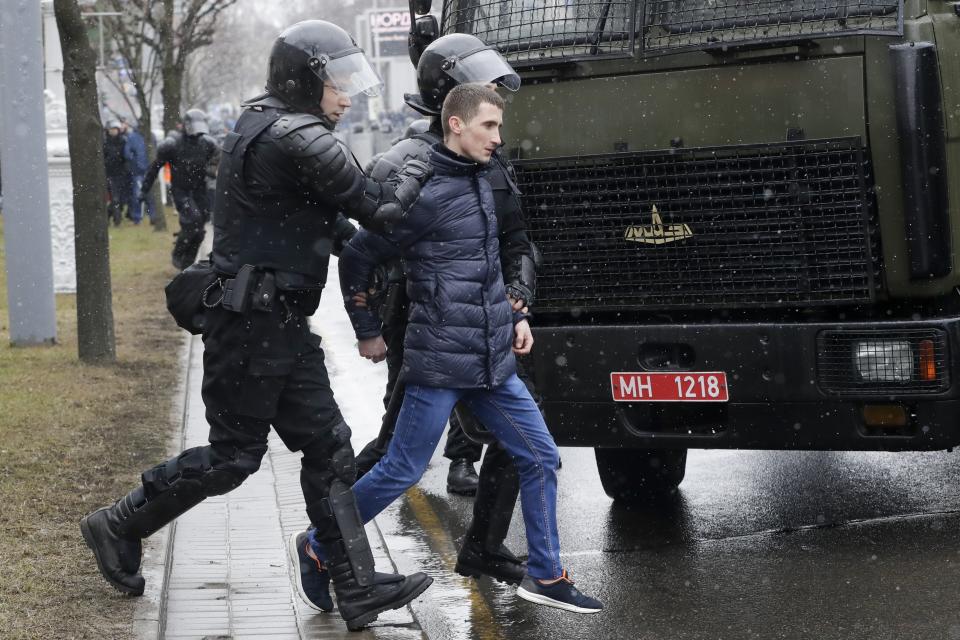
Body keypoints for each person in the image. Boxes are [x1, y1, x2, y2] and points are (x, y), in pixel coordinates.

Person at [79, 20, 433, 631]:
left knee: (327, 447)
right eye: (338, 83)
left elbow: (312, 222)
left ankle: (356, 588)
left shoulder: (265, 124)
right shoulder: (297, 135)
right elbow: (381, 210)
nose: (347, 97)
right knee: (234, 458)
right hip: (252, 324)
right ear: (305, 80)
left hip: (275, 322)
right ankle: (118, 523)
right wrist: (428, 157)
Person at [318, 84, 604, 614]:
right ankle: (318, 545)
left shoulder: (485, 178)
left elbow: (488, 264)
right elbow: (356, 257)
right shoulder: (420, 189)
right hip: (441, 363)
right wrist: (366, 329)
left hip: (493, 359)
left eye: (499, 126)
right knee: (400, 471)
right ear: (456, 125)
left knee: (540, 457)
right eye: (488, 126)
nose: (498, 137)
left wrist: (517, 315)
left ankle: (544, 575)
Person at [289, 34, 537, 613]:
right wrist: (370, 323)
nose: (496, 108)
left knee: (524, 440)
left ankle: (486, 544)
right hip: (420, 319)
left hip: (487, 324)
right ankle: (328, 541)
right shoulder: (402, 159)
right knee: (399, 453)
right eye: (484, 94)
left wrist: (519, 294)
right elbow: (365, 249)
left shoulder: (490, 155)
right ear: (450, 102)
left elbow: (517, 238)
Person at [141, 108, 218, 269]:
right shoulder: (172, 145)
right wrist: (144, 189)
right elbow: (155, 168)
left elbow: (217, 163)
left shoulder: (208, 144)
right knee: (193, 221)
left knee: (200, 227)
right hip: (181, 191)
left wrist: (213, 172)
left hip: (199, 190)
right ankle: (178, 254)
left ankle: (188, 263)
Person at [122, 120, 155, 225]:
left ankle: (152, 217)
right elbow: (127, 153)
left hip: (149, 170)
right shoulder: (132, 137)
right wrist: (135, 161)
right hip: (137, 171)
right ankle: (137, 218)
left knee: (149, 194)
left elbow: (155, 150)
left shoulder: (151, 136)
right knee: (138, 194)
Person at [103, 118, 131, 226]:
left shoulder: (123, 141)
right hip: (109, 174)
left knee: (122, 199)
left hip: (121, 173)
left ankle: (109, 215)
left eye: (115, 129)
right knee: (115, 199)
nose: (113, 131)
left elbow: (126, 156)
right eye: (112, 129)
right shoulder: (105, 142)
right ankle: (116, 220)